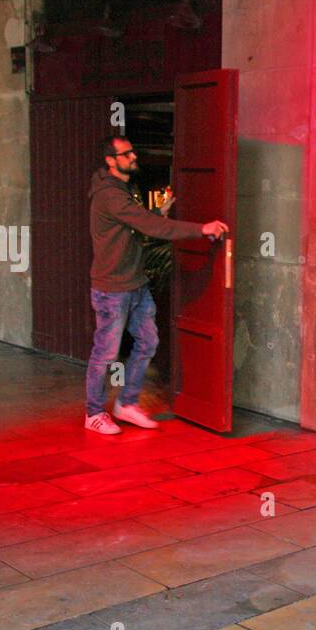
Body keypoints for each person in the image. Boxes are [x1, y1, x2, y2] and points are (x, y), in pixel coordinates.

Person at [85, 135, 227, 434]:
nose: (133, 156)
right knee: (105, 354)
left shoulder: (123, 189)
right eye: (126, 154)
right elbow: (151, 228)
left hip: (135, 283)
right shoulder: (110, 194)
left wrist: (154, 214)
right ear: (111, 161)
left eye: (132, 151)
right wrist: (202, 229)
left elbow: (136, 224)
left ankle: (127, 404)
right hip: (112, 288)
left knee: (148, 342)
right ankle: (94, 413)